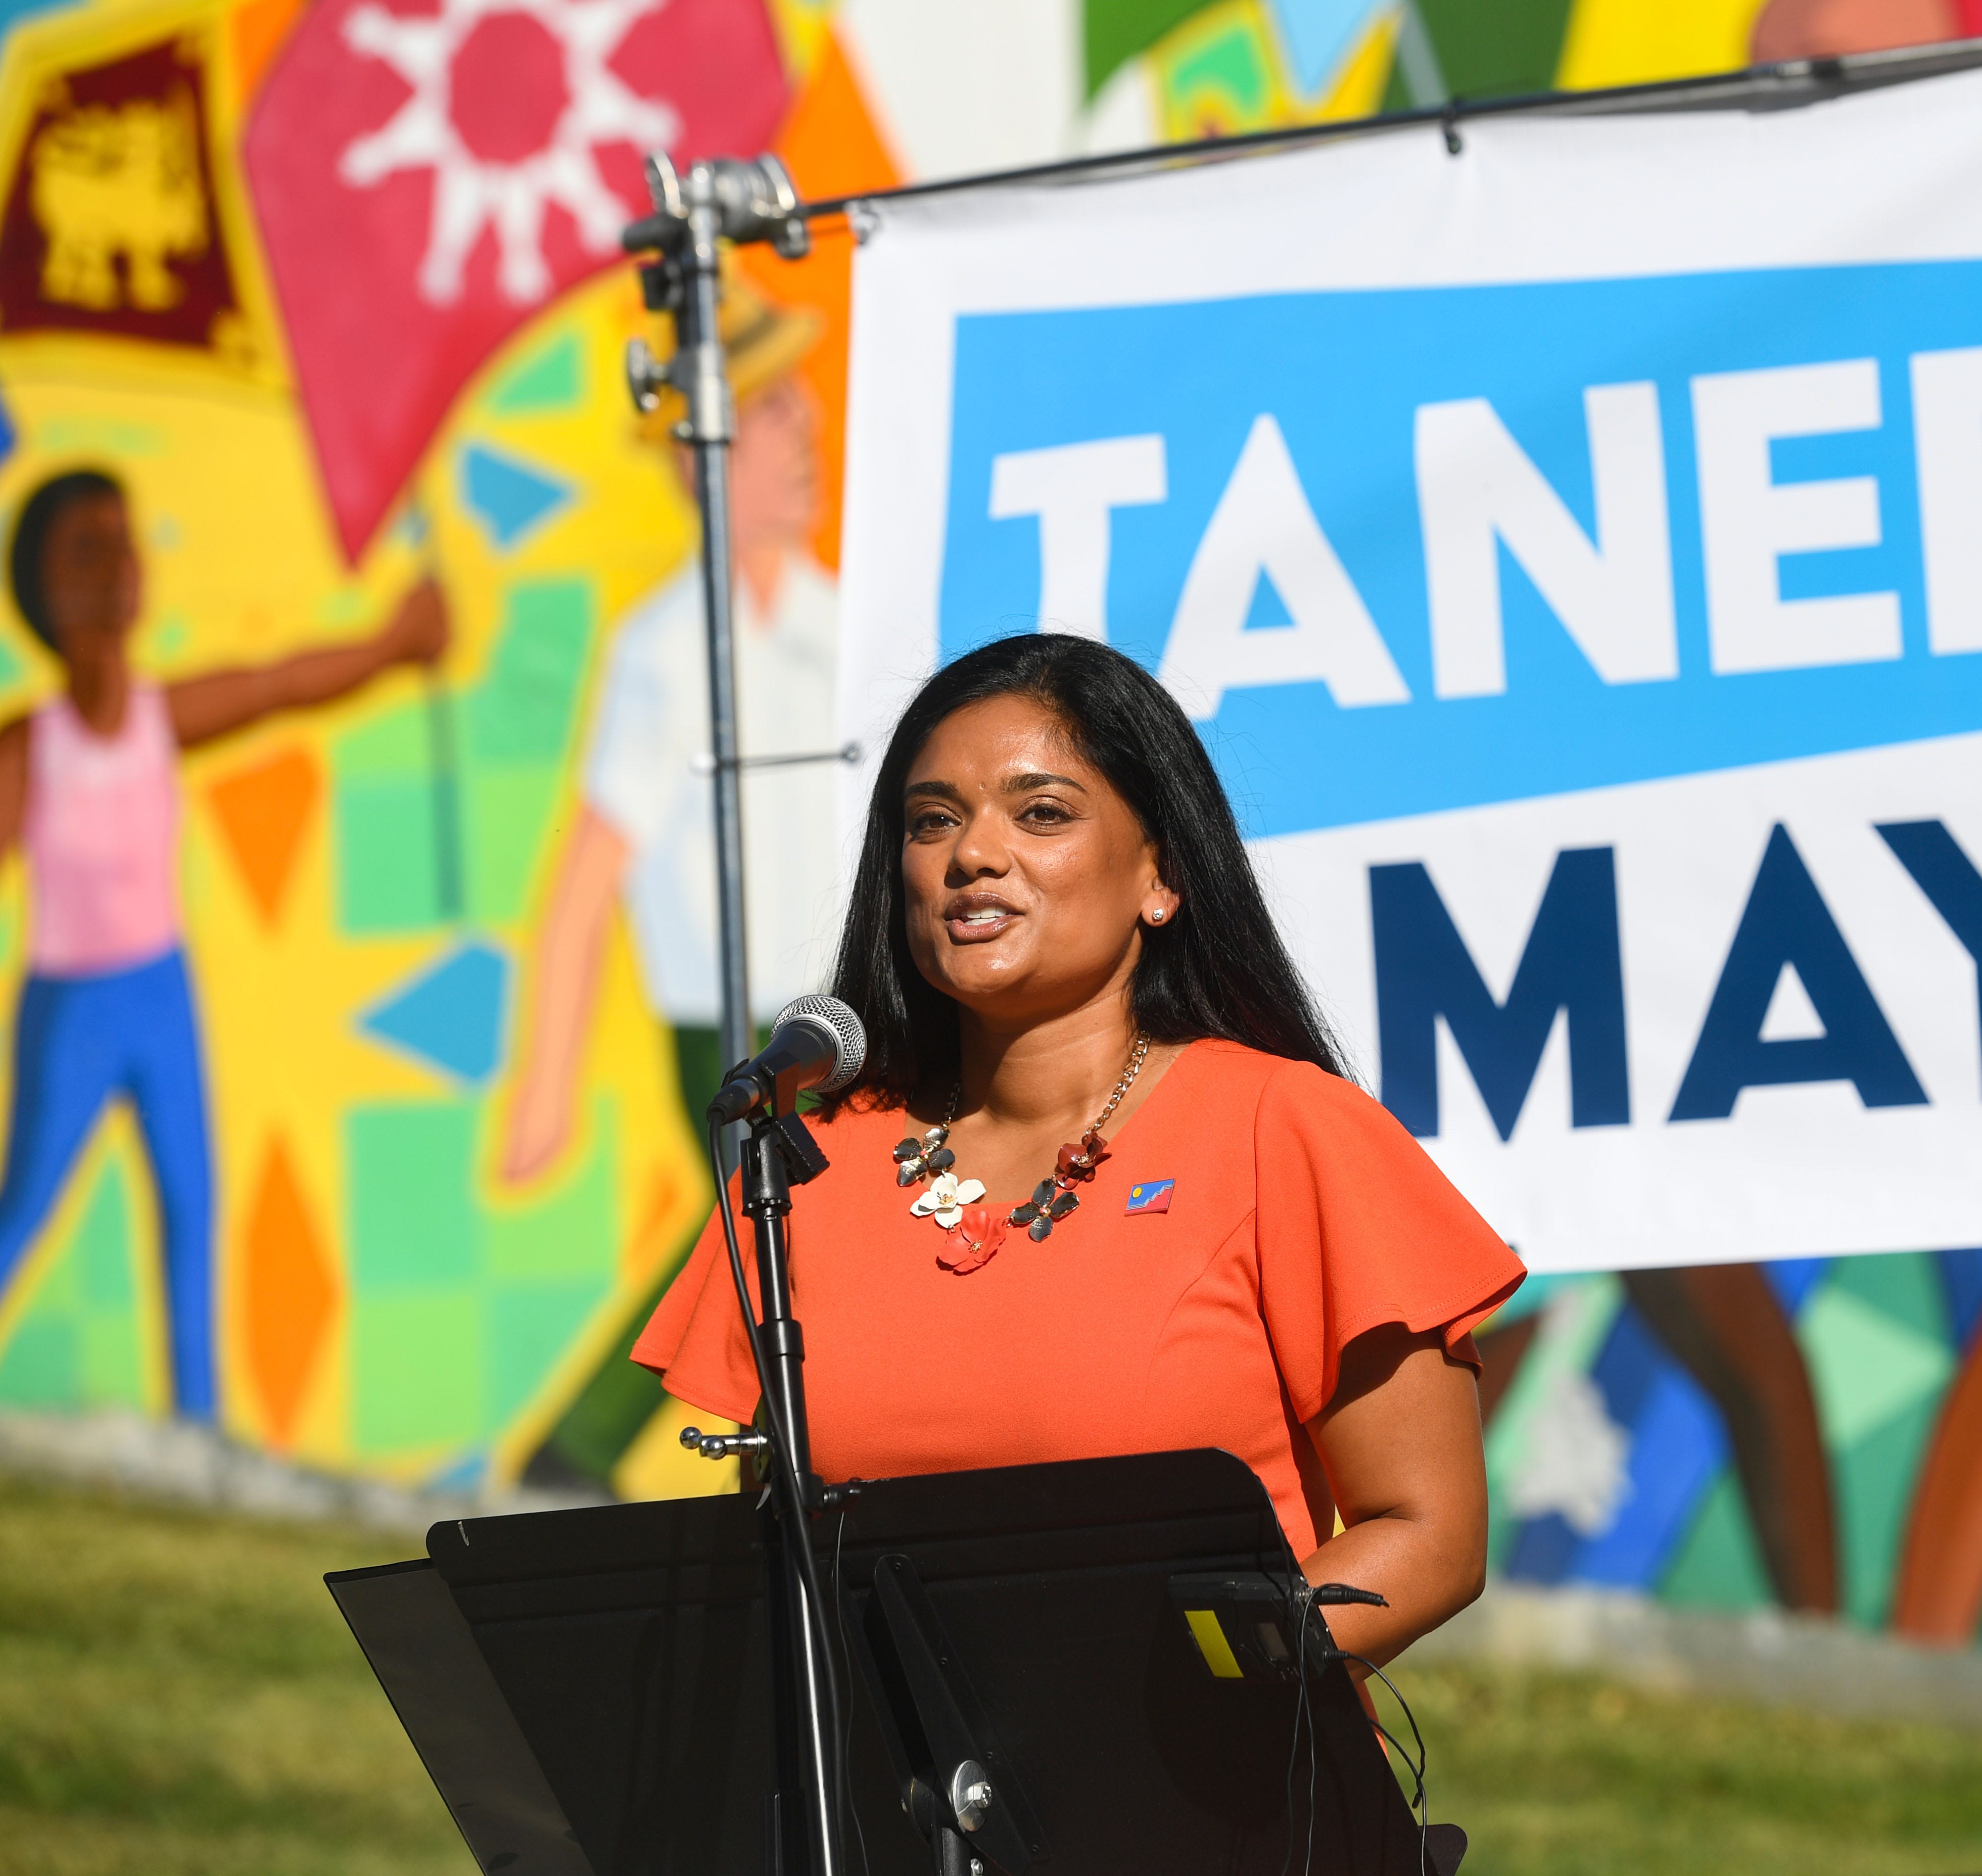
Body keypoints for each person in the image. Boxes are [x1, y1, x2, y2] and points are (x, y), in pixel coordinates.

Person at [633, 632, 1523, 1662]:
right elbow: (777, 1567)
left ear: (1161, 874)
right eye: (932, 820)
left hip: (1203, 1750)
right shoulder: (807, 1166)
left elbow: (1428, 1536)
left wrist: (1179, 1692)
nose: (972, 855)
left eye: (1043, 812)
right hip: (891, 1770)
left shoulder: (1285, 1128)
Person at [0, 466, 447, 1419]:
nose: (120, 568)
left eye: (125, 543)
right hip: (71, 1011)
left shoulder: (157, 717)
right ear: (42, 584)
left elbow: (281, 684)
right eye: (88, 550)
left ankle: (198, 1432)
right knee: (24, 1206)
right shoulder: (30, 750)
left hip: (161, 995)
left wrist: (392, 646)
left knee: (191, 1208)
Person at [501, 279, 842, 1182]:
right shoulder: (665, 649)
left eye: (795, 398)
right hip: (734, 1026)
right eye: (769, 407)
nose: (805, 425)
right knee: (762, 1230)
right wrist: (548, 1082)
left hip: (853, 1013)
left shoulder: (846, 625)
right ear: (701, 457)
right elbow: (591, 869)